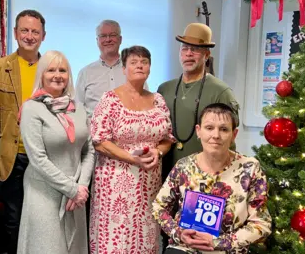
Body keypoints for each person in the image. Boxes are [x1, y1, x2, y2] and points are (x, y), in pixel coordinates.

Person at [89, 46, 176, 253]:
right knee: (116, 241)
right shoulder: (110, 100)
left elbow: (168, 138)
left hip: (149, 185)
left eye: (144, 62)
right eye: (134, 62)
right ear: (124, 68)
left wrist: (159, 152)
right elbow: (99, 140)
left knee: (145, 238)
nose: (139, 65)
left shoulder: (158, 100)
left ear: (150, 67)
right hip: (115, 185)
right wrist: (131, 158)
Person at [152, 103, 271, 254]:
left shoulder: (250, 169)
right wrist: (178, 232)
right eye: (209, 128)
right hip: (185, 247)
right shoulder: (183, 166)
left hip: (228, 250)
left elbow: (261, 224)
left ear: (234, 135)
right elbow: (158, 206)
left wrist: (219, 242)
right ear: (198, 131)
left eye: (224, 129)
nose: (216, 135)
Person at [17, 50, 95, 254]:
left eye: (63, 70)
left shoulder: (78, 108)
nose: (57, 75)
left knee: (74, 247)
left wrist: (81, 187)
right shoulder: (31, 109)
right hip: (44, 192)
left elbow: (89, 151)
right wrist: (71, 189)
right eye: (51, 70)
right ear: (41, 74)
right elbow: (37, 159)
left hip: (75, 194)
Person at [0, 9, 46, 253]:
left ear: (43, 35)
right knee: (14, 220)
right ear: (15, 33)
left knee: (41, 220)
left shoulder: (51, 68)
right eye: (25, 30)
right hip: (12, 159)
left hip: (42, 158)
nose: (29, 36)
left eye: (35, 31)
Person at [157, 23, 239, 180]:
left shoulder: (220, 92)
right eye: (184, 49)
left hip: (204, 177)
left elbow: (229, 140)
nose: (188, 54)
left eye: (194, 50)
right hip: (166, 175)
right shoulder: (164, 89)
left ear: (206, 55)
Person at [76, 20, 148, 120]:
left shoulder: (134, 70)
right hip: (95, 134)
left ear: (120, 39)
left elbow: (146, 104)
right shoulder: (85, 73)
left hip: (129, 132)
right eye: (103, 36)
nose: (108, 39)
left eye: (112, 35)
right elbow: (78, 111)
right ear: (97, 40)